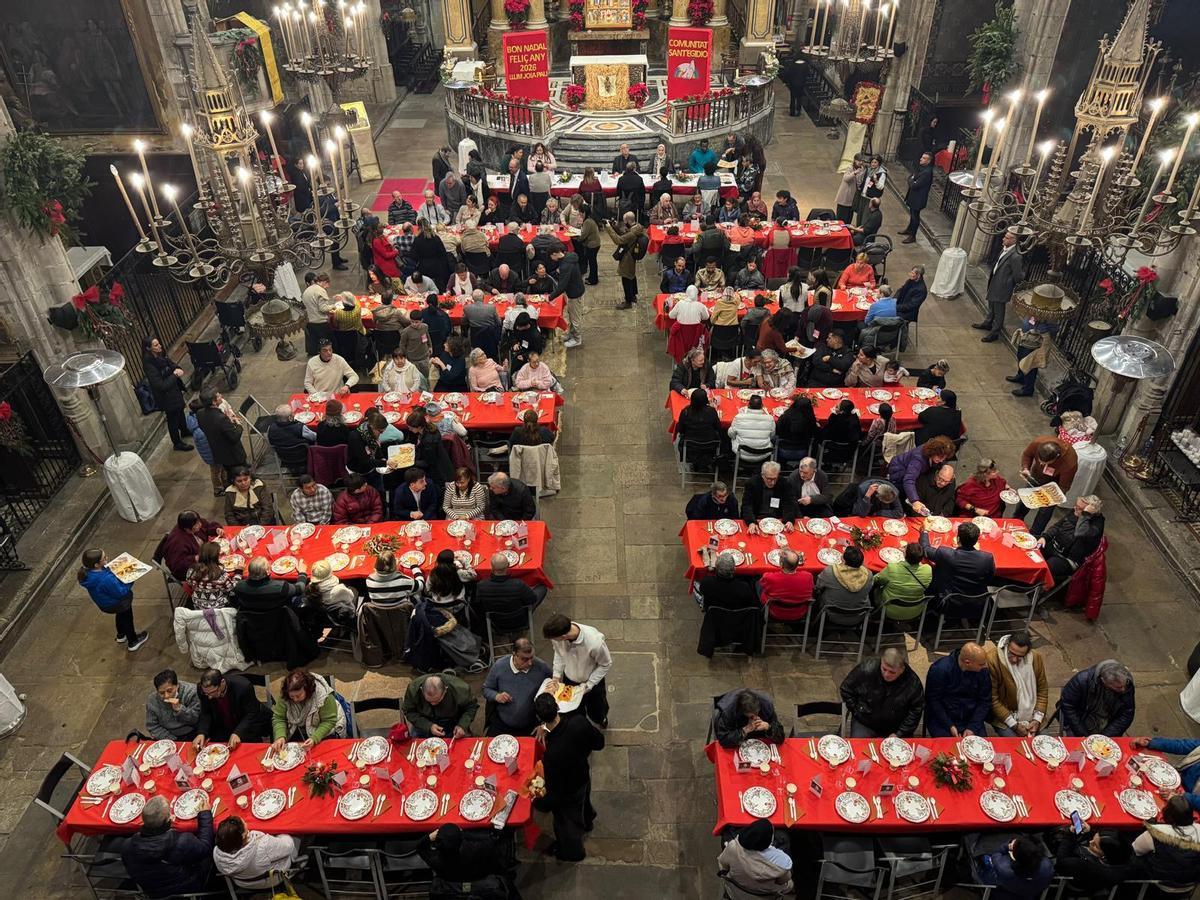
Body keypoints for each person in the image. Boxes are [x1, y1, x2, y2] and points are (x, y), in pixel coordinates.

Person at [533, 691, 604, 862]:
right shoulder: (579, 722)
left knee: (567, 826)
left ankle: (572, 853)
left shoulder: (552, 755)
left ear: (538, 717)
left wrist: (540, 803)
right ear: (558, 707)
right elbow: (599, 743)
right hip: (582, 776)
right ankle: (588, 822)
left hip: (567, 792)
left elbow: (554, 790)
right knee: (584, 802)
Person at [121, 794, 214, 898]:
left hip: (152, 892)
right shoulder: (181, 842)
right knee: (212, 846)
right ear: (168, 820)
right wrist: (205, 814)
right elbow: (205, 846)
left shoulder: (127, 846)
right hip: (187, 888)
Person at [543, 614, 612, 728]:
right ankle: (582, 725)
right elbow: (559, 653)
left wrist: (589, 685)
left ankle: (600, 719)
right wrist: (556, 677)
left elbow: (605, 664)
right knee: (574, 711)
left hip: (591, 682)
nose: (553, 641)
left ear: (564, 636)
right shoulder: (558, 637)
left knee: (597, 707)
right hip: (570, 679)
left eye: (554, 639)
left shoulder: (595, 643)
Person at [840, 648, 925, 737]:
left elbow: (916, 710)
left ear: (901, 670)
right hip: (865, 722)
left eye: (892, 672)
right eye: (884, 669)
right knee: (858, 747)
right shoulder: (867, 669)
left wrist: (900, 733)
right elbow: (846, 689)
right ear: (881, 661)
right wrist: (857, 711)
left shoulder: (913, 683)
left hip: (896, 727)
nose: (886, 674)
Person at [479, 637, 550, 739]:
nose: (530, 663)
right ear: (514, 654)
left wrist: (544, 724)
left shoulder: (542, 667)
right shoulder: (499, 666)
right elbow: (486, 689)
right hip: (503, 723)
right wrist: (496, 696)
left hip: (533, 724)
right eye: (524, 659)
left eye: (531, 658)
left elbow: (554, 694)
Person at [981, 631, 1049, 737]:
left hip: (1032, 714)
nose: (1014, 659)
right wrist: (1014, 725)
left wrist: (1037, 719)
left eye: (1019, 656)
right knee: (1015, 744)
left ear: (1027, 653)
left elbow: (1042, 691)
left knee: (1045, 743)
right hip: (1004, 717)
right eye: (1011, 653)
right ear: (1006, 645)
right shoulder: (993, 660)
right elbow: (993, 699)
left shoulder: (1036, 658)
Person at [78, 548, 147, 650]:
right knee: (127, 618)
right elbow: (121, 592)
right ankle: (133, 641)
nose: (107, 558)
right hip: (117, 603)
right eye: (104, 558)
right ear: (97, 565)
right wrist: (131, 579)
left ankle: (121, 635)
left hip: (105, 603)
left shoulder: (88, 573)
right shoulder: (105, 579)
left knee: (120, 615)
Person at [269, 668, 347, 751]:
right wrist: (280, 736)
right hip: (299, 728)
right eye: (292, 696)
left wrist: (315, 738)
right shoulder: (285, 696)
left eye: (298, 696)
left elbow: (329, 721)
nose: (295, 699)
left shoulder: (324, 697)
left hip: (322, 729)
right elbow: (279, 718)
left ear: (307, 690)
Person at [193, 669, 272, 749]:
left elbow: (252, 712)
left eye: (213, 692)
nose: (209, 697)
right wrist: (201, 732)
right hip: (222, 724)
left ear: (222, 682)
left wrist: (238, 732)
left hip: (245, 723)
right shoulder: (202, 690)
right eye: (206, 693)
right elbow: (206, 712)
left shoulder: (243, 687)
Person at [924, 641, 991, 737]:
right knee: (946, 748)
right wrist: (949, 726)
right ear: (968, 663)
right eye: (981, 664)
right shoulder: (939, 670)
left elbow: (985, 701)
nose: (985, 666)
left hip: (971, 717)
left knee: (980, 747)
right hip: (942, 717)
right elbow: (933, 701)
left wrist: (972, 727)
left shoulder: (983, 671)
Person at [213, 817, 301, 888]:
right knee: (297, 833)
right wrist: (280, 834)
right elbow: (288, 846)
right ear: (243, 836)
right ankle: (304, 863)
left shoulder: (216, 852)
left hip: (243, 883)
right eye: (246, 828)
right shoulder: (263, 845)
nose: (247, 825)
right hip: (273, 880)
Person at [718, 819, 794, 900]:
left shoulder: (733, 848)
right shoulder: (780, 866)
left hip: (735, 893)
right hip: (765, 895)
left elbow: (723, 864)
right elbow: (783, 882)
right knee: (790, 885)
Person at [1018, 436, 1079, 534]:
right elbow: (1027, 454)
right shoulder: (1038, 442)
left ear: (1056, 457)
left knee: (1045, 511)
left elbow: (1064, 486)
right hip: (1035, 476)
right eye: (1040, 460)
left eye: (1046, 463)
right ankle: (1016, 520)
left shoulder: (1069, 462)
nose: (1041, 464)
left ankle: (1035, 533)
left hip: (1054, 485)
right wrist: (1025, 468)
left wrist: (1048, 497)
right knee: (1025, 500)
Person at [920, 521, 995, 600]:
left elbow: (925, 549)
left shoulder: (946, 554)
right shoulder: (987, 558)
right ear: (977, 540)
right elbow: (989, 579)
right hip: (977, 604)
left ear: (958, 538)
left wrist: (925, 531)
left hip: (949, 602)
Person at [1039, 495, 1105, 583]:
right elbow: (1058, 526)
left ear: (1090, 513)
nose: (1074, 508)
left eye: (1079, 508)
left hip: (1068, 559)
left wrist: (1085, 515)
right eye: (1076, 505)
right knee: (1032, 544)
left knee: (1049, 566)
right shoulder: (1075, 511)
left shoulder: (1096, 525)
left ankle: (1035, 588)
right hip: (1055, 546)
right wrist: (1045, 537)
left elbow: (1080, 533)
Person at [975, 229, 1026, 342]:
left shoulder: (1016, 256)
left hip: (1002, 286)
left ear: (1014, 241)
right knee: (991, 304)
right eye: (1005, 236)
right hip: (995, 281)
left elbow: (1019, 275)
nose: (1003, 239)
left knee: (999, 310)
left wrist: (1007, 283)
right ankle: (988, 322)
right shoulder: (1005, 249)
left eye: (1007, 238)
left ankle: (995, 332)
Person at [141, 336, 191, 451]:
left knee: (180, 411)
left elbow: (170, 363)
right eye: (156, 345)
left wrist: (177, 368)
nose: (160, 346)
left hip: (174, 390)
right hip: (166, 396)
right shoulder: (149, 364)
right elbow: (160, 385)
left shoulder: (159, 355)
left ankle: (184, 430)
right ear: (149, 348)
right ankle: (177, 443)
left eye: (158, 344)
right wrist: (174, 375)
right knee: (172, 419)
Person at [1060, 660, 1135, 737]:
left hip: (1109, 723)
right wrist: (1082, 733)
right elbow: (1068, 706)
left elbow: (1126, 714)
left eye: (1124, 685)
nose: (1123, 690)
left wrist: (1104, 737)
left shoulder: (1127, 684)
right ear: (1103, 681)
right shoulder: (1081, 680)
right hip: (1080, 721)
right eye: (1118, 687)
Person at [1055, 821, 1131, 895]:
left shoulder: (1084, 866)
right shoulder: (1121, 857)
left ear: (1104, 855)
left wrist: (1069, 835)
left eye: (1095, 845)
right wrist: (1089, 832)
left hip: (1075, 882)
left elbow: (1061, 862)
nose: (1091, 842)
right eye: (1094, 837)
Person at [888, 436, 957, 515]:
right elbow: (909, 480)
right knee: (902, 493)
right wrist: (914, 501)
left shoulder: (933, 453)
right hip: (899, 473)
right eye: (940, 457)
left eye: (944, 458)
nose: (941, 461)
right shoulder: (918, 459)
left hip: (912, 472)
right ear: (933, 452)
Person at [976, 836, 1054, 900]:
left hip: (1001, 888)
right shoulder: (1047, 867)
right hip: (1028, 892)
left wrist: (1008, 845)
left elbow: (997, 854)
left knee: (984, 857)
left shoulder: (1004, 868)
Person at [403, 672, 478, 738]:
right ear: (422, 690)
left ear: (445, 690)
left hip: (452, 721)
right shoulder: (413, 690)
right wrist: (428, 726)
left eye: (437, 700)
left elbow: (471, 707)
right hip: (423, 721)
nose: (433, 704)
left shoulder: (460, 690)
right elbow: (409, 711)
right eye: (429, 701)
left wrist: (462, 725)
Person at [195, 387, 246, 482]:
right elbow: (234, 437)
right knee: (239, 476)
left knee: (229, 474)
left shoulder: (200, 413)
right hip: (233, 455)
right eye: (218, 396)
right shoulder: (221, 418)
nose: (221, 396)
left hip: (219, 453)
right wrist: (238, 425)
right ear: (214, 402)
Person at [814, 544, 873, 626]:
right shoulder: (868, 575)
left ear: (843, 560)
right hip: (858, 616)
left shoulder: (830, 571)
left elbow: (818, 586)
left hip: (831, 614)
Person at [158, 509, 221, 581]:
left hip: (204, 554)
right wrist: (195, 558)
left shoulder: (194, 523)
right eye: (197, 524)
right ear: (187, 529)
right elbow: (177, 566)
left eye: (199, 521)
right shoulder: (178, 542)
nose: (200, 525)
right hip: (190, 570)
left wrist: (216, 529)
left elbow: (207, 526)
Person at [874, 541, 932, 616]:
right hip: (915, 611)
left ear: (905, 554)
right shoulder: (928, 570)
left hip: (890, 610)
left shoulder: (893, 568)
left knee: (876, 589)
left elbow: (876, 580)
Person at [713, 689, 785, 748]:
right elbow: (723, 740)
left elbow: (781, 737)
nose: (756, 718)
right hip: (737, 735)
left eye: (757, 713)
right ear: (743, 712)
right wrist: (745, 730)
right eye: (751, 716)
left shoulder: (766, 706)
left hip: (760, 741)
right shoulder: (728, 712)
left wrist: (768, 727)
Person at [145, 669, 201, 741]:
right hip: (168, 735)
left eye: (170, 691)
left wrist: (179, 709)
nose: (166, 696)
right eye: (161, 693)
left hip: (191, 731)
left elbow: (196, 719)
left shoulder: (191, 692)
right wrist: (172, 740)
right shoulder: (152, 700)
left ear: (177, 685)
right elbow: (152, 726)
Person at [605, 211, 645, 309]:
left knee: (626, 278)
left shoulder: (632, 234)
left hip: (628, 258)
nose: (624, 223)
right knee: (631, 275)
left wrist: (609, 228)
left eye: (624, 221)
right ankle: (633, 296)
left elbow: (618, 240)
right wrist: (615, 226)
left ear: (628, 221)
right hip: (631, 256)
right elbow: (624, 234)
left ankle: (628, 301)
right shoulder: (636, 228)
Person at [742, 461, 798, 529]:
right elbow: (747, 505)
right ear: (762, 475)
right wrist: (751, 522)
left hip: (777, 520)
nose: (773, 482)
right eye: (769, 479)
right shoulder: (751, 483)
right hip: (757, 519)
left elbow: (789, 504)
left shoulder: (784, 483)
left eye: (775, 478)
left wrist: (789, 520)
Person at [757, 549, 814, 615]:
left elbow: (763, 583)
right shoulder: (808, 577)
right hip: (799, 613)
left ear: (781, 564)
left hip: (775, 612)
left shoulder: (770, 578)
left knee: (756, 582)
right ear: (797, 564)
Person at [184, 542, 238, 610]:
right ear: (216, 558)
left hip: (198, 606)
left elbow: (189, 583)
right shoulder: (220, 575)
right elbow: (232, 588)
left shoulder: (191, 570)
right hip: (218, 608)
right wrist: (238, 573)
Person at [901, 152, 934, 242]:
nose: (921, 159)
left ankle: (912, 235)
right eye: (921, 157)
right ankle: (909, 229)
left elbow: (915, 185)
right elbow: (911, 177)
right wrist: (912, 179)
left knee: (915, 216)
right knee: (912, 214)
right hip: (913, 196)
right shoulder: (921, 168)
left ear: (928, 161)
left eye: (923, 158)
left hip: (918, 198)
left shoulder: (927, 172)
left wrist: (912, 180)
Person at [301, 272, 336, 355]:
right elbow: (323, 308)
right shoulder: (321, 291)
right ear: (324, 282)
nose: (328, 286)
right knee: (326, 342)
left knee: (313, 342)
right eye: (328, 284)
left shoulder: (308, 289)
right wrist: (333, 306)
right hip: (319, 322)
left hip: (309, 321)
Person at [776, 398, 819, 462]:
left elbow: (777, 430)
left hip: (783, 450)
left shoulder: (785, 417)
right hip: (803, 451)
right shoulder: (810, 421)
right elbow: (815, 434)